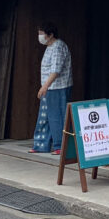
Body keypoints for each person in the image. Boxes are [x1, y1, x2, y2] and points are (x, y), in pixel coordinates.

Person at [31, 22, 72, 154]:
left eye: (42, 34)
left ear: (50, 35)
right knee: (46, 116)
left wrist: (45, 86)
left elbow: (55, 70)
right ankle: (41, 145)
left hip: (57, 87)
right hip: (49, 87)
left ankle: (60, 146)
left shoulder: (58, 47)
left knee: (57, 116)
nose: (40, 36)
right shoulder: (50, 46)